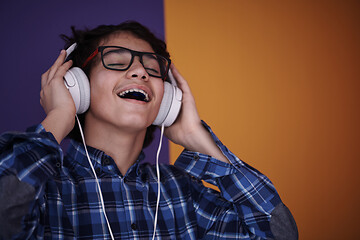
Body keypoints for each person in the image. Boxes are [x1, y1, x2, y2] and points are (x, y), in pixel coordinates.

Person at [0, 21, 298, 239]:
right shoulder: (45, 191)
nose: (141, 72)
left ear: (167, 100)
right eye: (116, 62)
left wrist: (196, 137)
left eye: (153, 70)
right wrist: (59, 115)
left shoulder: (184, 192)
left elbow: (278, 233)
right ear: (77, 87)